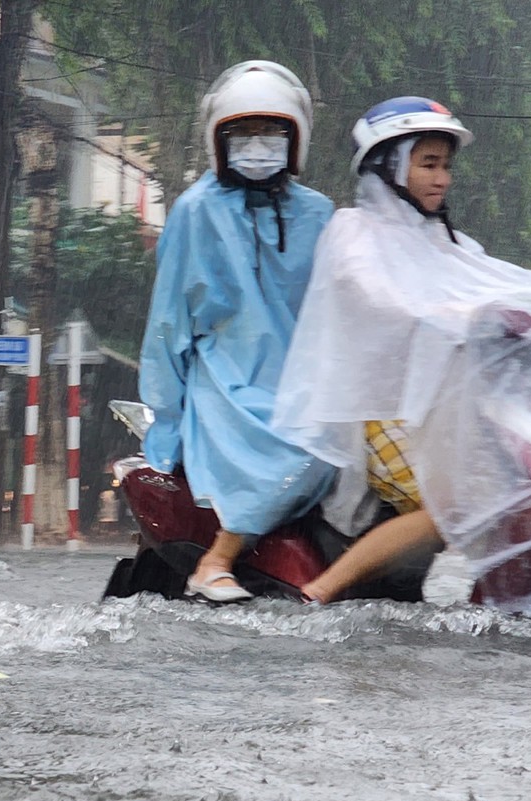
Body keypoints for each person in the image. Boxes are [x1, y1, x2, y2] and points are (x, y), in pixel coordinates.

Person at [273, 98, 531, 612]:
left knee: (523, 486)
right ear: (389, 165)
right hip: (381, 412)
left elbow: (499, 282)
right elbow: (373, 292)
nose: (442, 179)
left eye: (446, 166)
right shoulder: (355, 231)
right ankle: (319, 591)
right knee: (454, 503)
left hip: (443, 414)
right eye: (428, 163)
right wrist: (450, 313)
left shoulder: (446, 242)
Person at [137, 60, 337, 603]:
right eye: (243, 132)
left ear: (295, 139)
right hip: (225, 387)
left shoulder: (320, 215)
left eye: (271, 132)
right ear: (218, 140)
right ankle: (216, 561)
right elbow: (168, 325)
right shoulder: (195, 211)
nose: (257, 144)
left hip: (302, 382)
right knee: (312, 452)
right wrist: (167, 421)